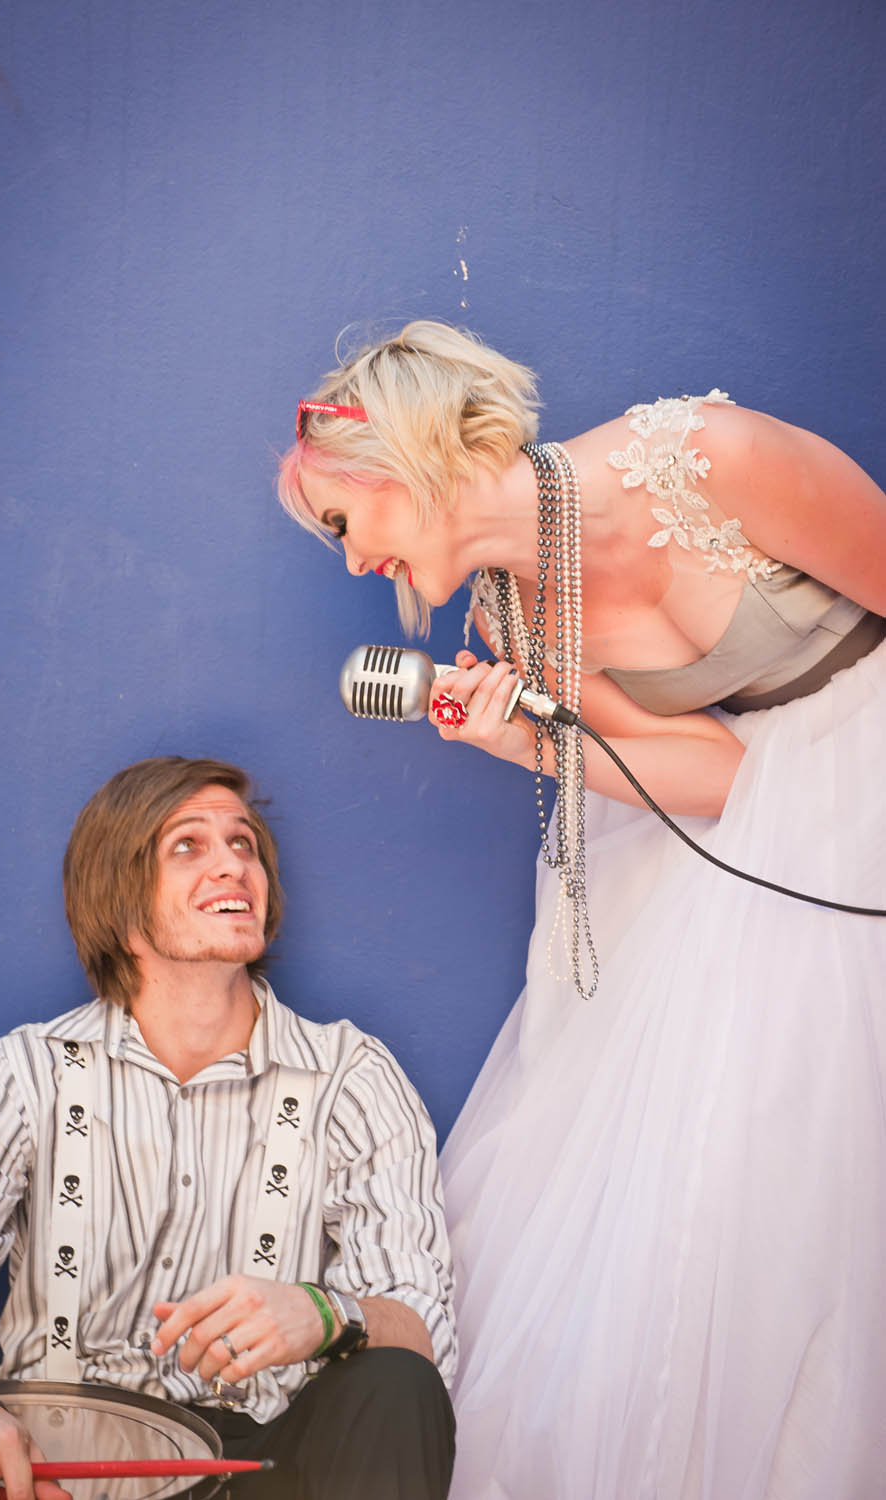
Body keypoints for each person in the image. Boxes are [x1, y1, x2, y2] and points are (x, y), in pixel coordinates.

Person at [278, 322, 886, 1500]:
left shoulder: (706, 459)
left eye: (341, 524)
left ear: (398, 459)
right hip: (770, 801)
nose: (350, 564)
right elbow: (716, 776)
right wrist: (522, 743)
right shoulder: (510, 627)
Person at [0, 756, 457, 1500]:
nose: (233, 865)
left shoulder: (352, 1076)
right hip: (50, 1462)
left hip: (255, 1463)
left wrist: (325, 1313)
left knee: (398, 1382)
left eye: (243, 843)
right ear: (119, 902)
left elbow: (423, 1324)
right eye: (188, 845)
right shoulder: (28, 1071)